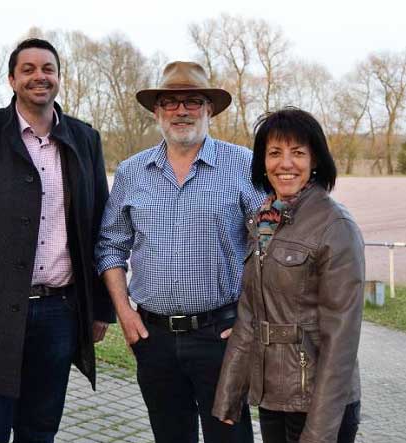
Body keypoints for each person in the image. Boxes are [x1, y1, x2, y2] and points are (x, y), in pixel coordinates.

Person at [0, 38, 115, 443]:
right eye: (28, 69)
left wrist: (100, 307)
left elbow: (102, 228)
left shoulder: (85, 139)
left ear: (59, 79)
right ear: (12, 79)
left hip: (60, 314)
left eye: (48, 68)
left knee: (40, 430)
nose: (39, 76)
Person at [95, 61, 265, 443]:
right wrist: (123, 312)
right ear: (157, 112)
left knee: (230, 438)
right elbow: (110, 245)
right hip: (153, 338)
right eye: (170, 103)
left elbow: (269, 246)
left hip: (221, 335)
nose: (181, 111)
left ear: (209, 110)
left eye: (193, 101)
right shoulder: (131, 172)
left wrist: (251, 319)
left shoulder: (243, 165)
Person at [212, 107, 364, 443]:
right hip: (274, 396)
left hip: (319, 403)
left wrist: (320, 430)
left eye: (297, 153)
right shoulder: (263, 221)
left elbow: (342, 339)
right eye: (274, 153)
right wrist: (229, 396)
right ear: (262, 162)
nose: (285, 164)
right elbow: (250, 315)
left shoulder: (335, 226)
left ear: (315, 161)